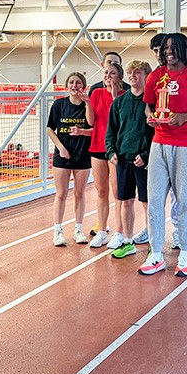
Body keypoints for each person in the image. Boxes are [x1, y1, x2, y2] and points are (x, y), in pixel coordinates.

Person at [138, 32, 187, 277]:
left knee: (185, 201)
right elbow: (148, 104)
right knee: (155, 200)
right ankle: (156, 254)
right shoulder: (155, 77)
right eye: (165, 48)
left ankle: (186, 256)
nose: (168, 51)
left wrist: (184, 118)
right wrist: (149, 116)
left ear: (182, 49)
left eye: (173, 47)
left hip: (186, 144)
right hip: (159, 143)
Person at [105, 60, 154, 259]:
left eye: (138, 72)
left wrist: (146, 155)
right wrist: (111, 152)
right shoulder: (119, 102)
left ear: (146, 76)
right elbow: (111, 132)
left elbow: (156, 134)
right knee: (125, 201)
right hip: (123, 160)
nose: (133, 75)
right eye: (130, 72)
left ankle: (153, 244)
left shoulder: (152, 102)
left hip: (143, 161)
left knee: (147, 202)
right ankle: (127, 241)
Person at [83, 54, 126, 248]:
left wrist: (115, 96)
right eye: (106, 73)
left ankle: (120, 232)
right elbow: (91, 121)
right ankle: (102, 231)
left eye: (113, 73)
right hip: (98, 146)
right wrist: (87, 104)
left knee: (118, 192)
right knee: (101, 191)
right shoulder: (97, 93)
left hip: (116, 148)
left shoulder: (125, 95)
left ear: (120, 76)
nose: (108, 76)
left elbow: (121, 121)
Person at [46, 72, 93, 246]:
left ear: (84, 86)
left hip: (82, 154)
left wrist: (88, 103)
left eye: (79, 83)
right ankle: (57, 231)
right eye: (72, 82)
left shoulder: (88, 105)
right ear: (67, 86)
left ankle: (78, 229)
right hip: (63, 154)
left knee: (80, 193)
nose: (75, 86)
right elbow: (50, 128)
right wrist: (60, 147)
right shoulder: (59, 105)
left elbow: (91, 123)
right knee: (61, 193)